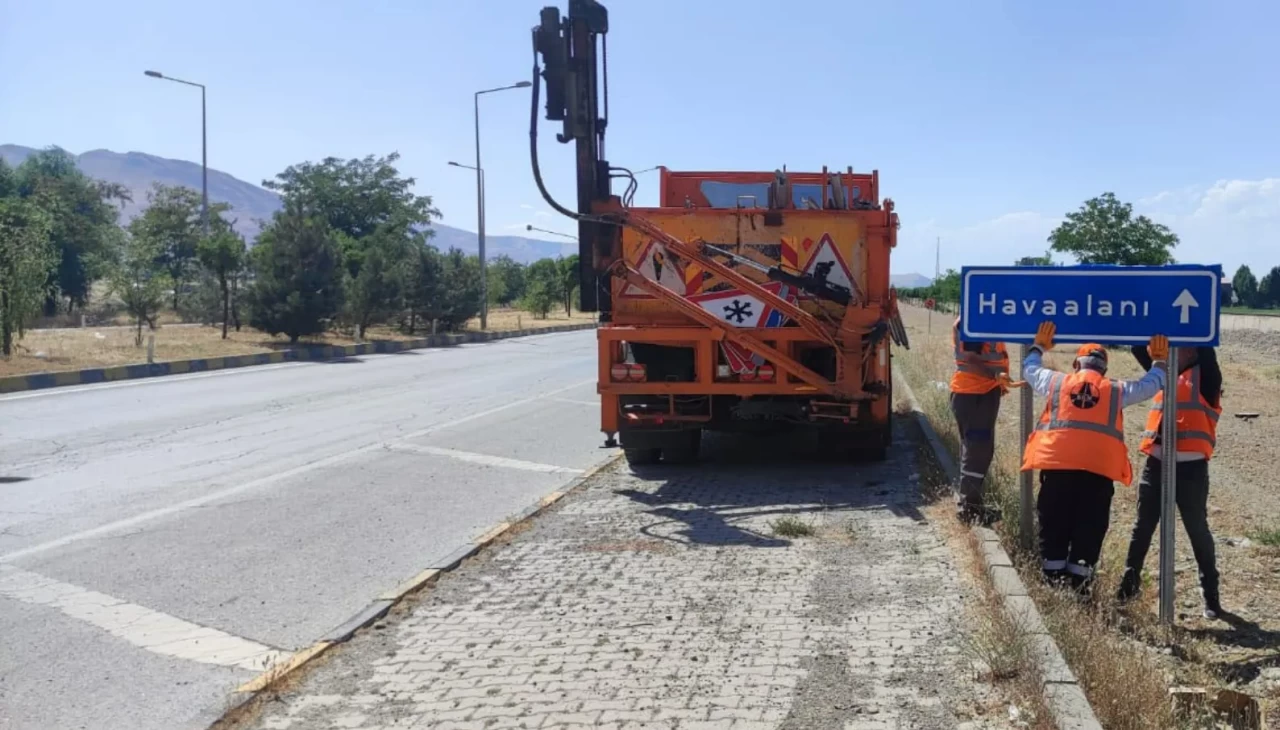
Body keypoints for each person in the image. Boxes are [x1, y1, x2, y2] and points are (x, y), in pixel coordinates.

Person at [1020, 322, 1168, 595]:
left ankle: (1053, 586)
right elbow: (1152, 384)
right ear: (1104, 369)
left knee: (1053, 525)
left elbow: (1028, 368)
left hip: (1057, 471)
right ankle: (1079, 589)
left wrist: (1039, 345)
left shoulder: (1056, 382)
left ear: (1076, 364)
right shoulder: (1116, 390)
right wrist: (1159, 361)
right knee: (1089, 529)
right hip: (1097, 476)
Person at [1117, 345, 1225, 618]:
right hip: (1156, 463)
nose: (1177, 350)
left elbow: (1205, 343)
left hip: (1191, 469)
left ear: (1195, 353)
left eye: (1185, 346)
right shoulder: (1163, 372)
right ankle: (1128, 587)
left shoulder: (1207, 378)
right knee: (1142, 527)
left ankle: (1211, 595)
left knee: (1197, 530)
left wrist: (1192, 325)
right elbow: (1139, 347)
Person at [950, 313, 1016, 524]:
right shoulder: (973, 318)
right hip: (973, 393)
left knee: (977, 449)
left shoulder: (982, 316)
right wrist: (995, 376)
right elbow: (970, 358)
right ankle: (968, 510)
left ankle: (972, 505)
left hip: (981, 392)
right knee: (977, 450)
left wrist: (996, 382)